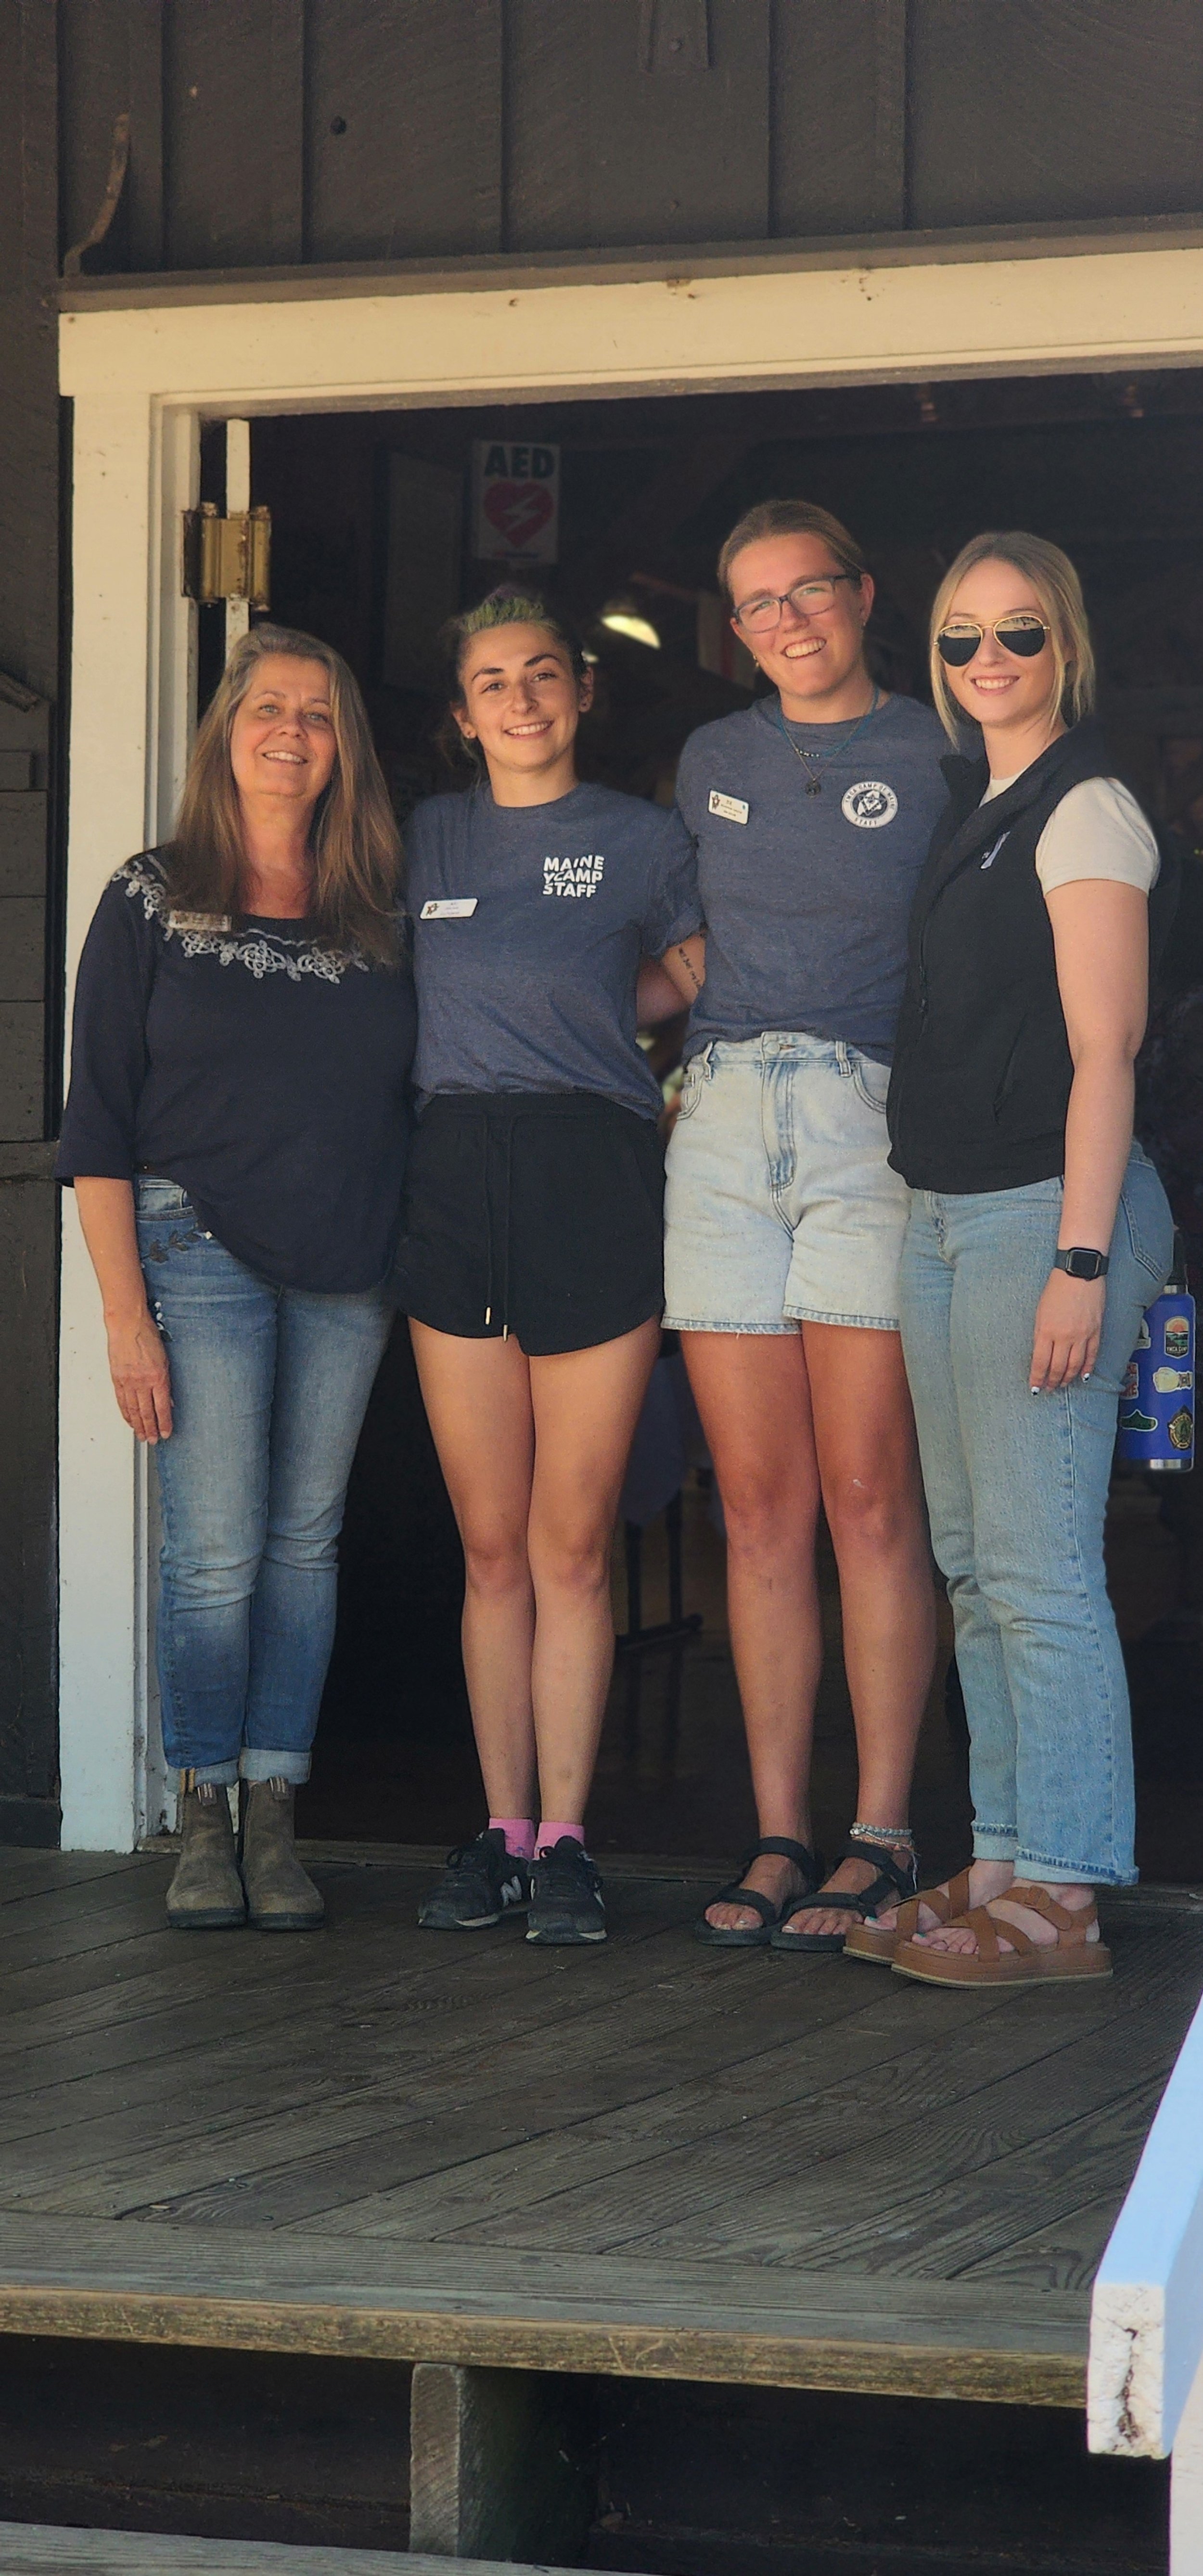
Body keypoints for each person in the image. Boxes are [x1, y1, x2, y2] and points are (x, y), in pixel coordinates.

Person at [57, 626, 413, 1933]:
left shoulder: (378, 899)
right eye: (268, 708)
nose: (291, 732)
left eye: (319, 714)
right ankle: (200, 1805)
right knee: (213, 1553)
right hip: (189, 1249)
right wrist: (121, 1318)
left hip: (349, 1263)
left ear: (342, 747)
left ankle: (278, 1806)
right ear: (227, 730)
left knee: (302, 1548)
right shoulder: (153, 893)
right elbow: (94, 1122)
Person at [870, 532, 1175, 1986]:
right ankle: (1000, 1854)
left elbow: (1101, 1050)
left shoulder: (1085, 804)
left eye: (1018, 636)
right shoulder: (973, 799)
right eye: (960, 640)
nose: (987, 662)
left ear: (1067, 646)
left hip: (1041, 1210)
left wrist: (1078, 1250)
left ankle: (1060, 1893)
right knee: (972, 1562)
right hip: (943, 1212)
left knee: (1041, 1566)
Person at [664, 499, 950, 1952]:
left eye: (808, 591)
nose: (785, 621)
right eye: (756, 603)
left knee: (868, 1500)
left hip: (869, 1124)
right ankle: (781, 1832)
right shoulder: (711, 759)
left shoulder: (936, 745)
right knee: (761, 1508)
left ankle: (883, 1833)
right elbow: (678, 943)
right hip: (718, 1125)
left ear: (862, 591)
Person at [397, 588, 703, 1946]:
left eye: (540, 676)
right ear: (460, 717)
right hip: (454, 1174)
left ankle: (570, 1839)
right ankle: (500, 1830)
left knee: (570, 1541)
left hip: (591, 1170)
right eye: (490, 683)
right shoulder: (424, 836)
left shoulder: (642, 840)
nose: (519, 700)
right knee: (489, 1542)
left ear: (578, 690)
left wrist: (593, 1015)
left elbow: (698, 968)